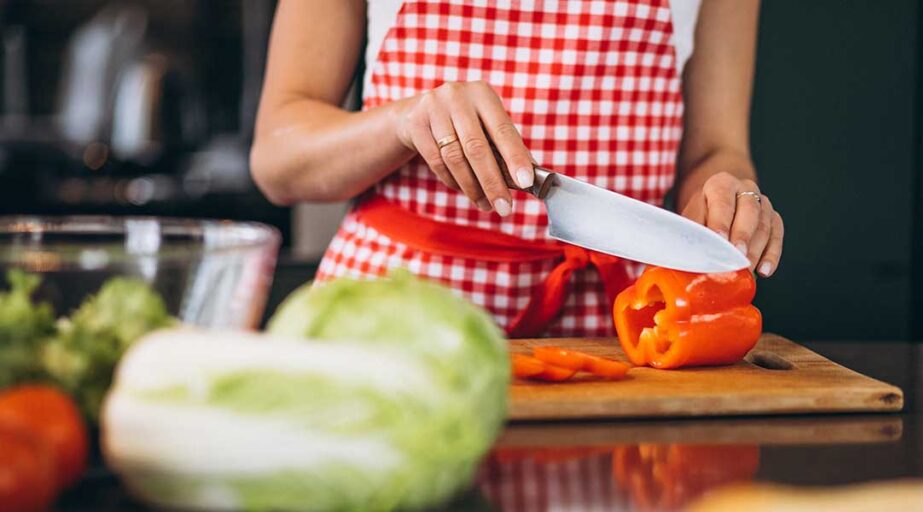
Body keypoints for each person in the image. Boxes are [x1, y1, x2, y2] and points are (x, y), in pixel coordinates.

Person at [251, 0, 783, 337]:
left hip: (626, 332)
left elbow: (716, 149)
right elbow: (278, 161)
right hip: (392, 327)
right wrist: (404, 122)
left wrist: (726, 193)